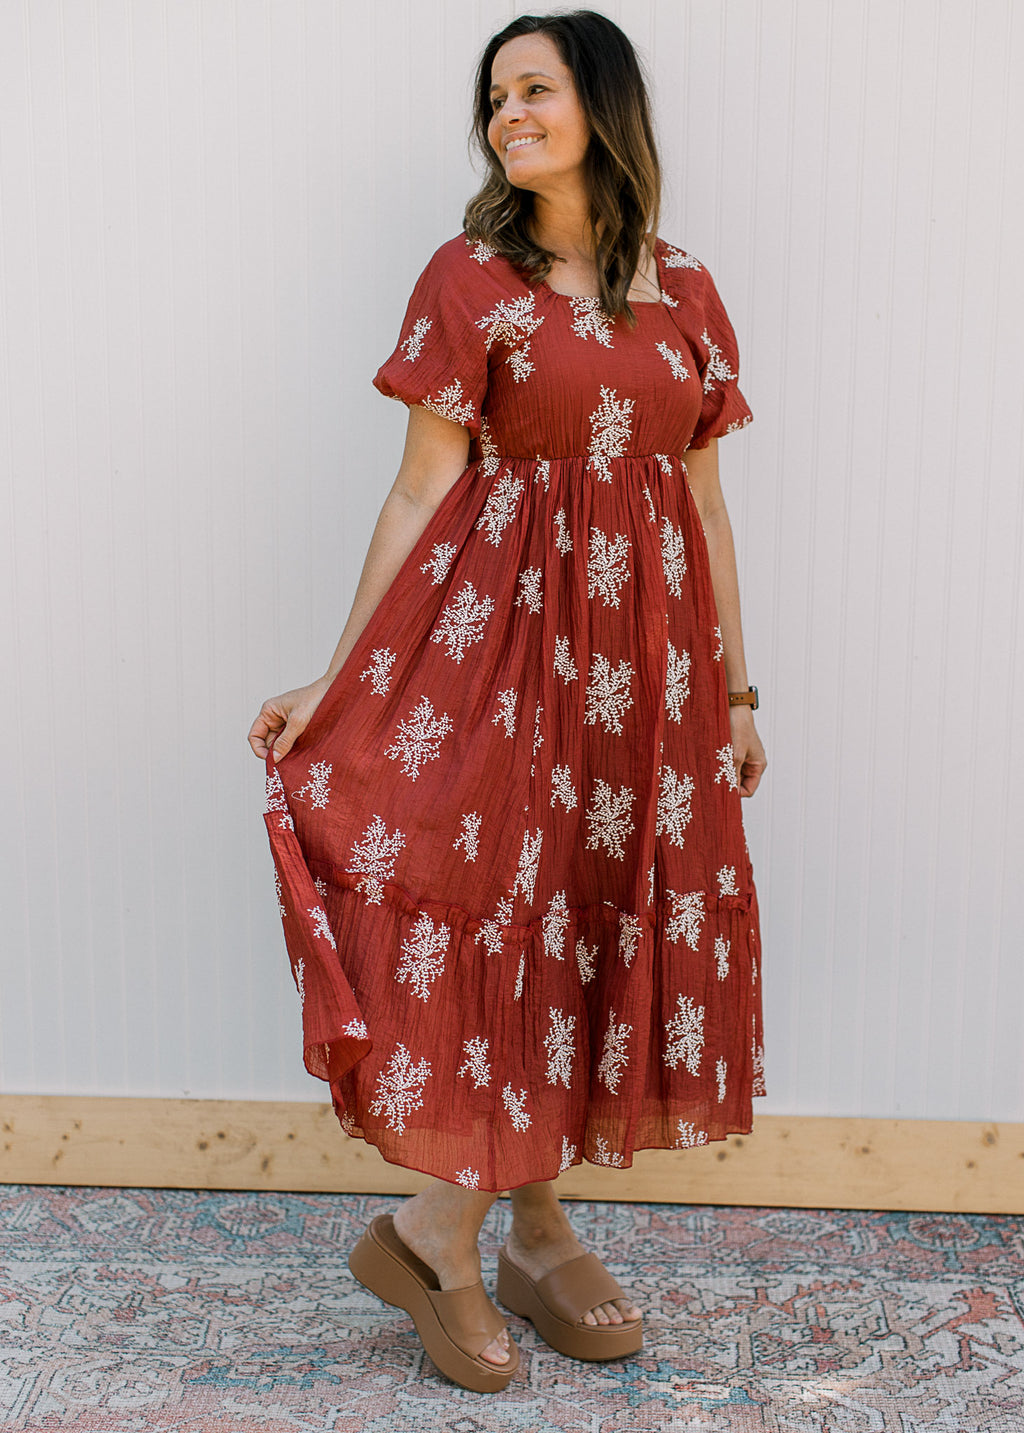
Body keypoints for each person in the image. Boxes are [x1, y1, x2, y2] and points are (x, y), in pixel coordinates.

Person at [248, 9, 767, 1394]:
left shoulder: (691, 291)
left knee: (595, 919)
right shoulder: (469, 277)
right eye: (494, 98)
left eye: (534, 89)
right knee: (513, 913)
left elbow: (706, 504)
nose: (507, 116)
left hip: (642, 680)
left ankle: (536, 1228)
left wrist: (732, 687)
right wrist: (339, 672)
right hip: (502, 652)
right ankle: (439, 1235)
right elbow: (423, 485)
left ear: (604, 103)